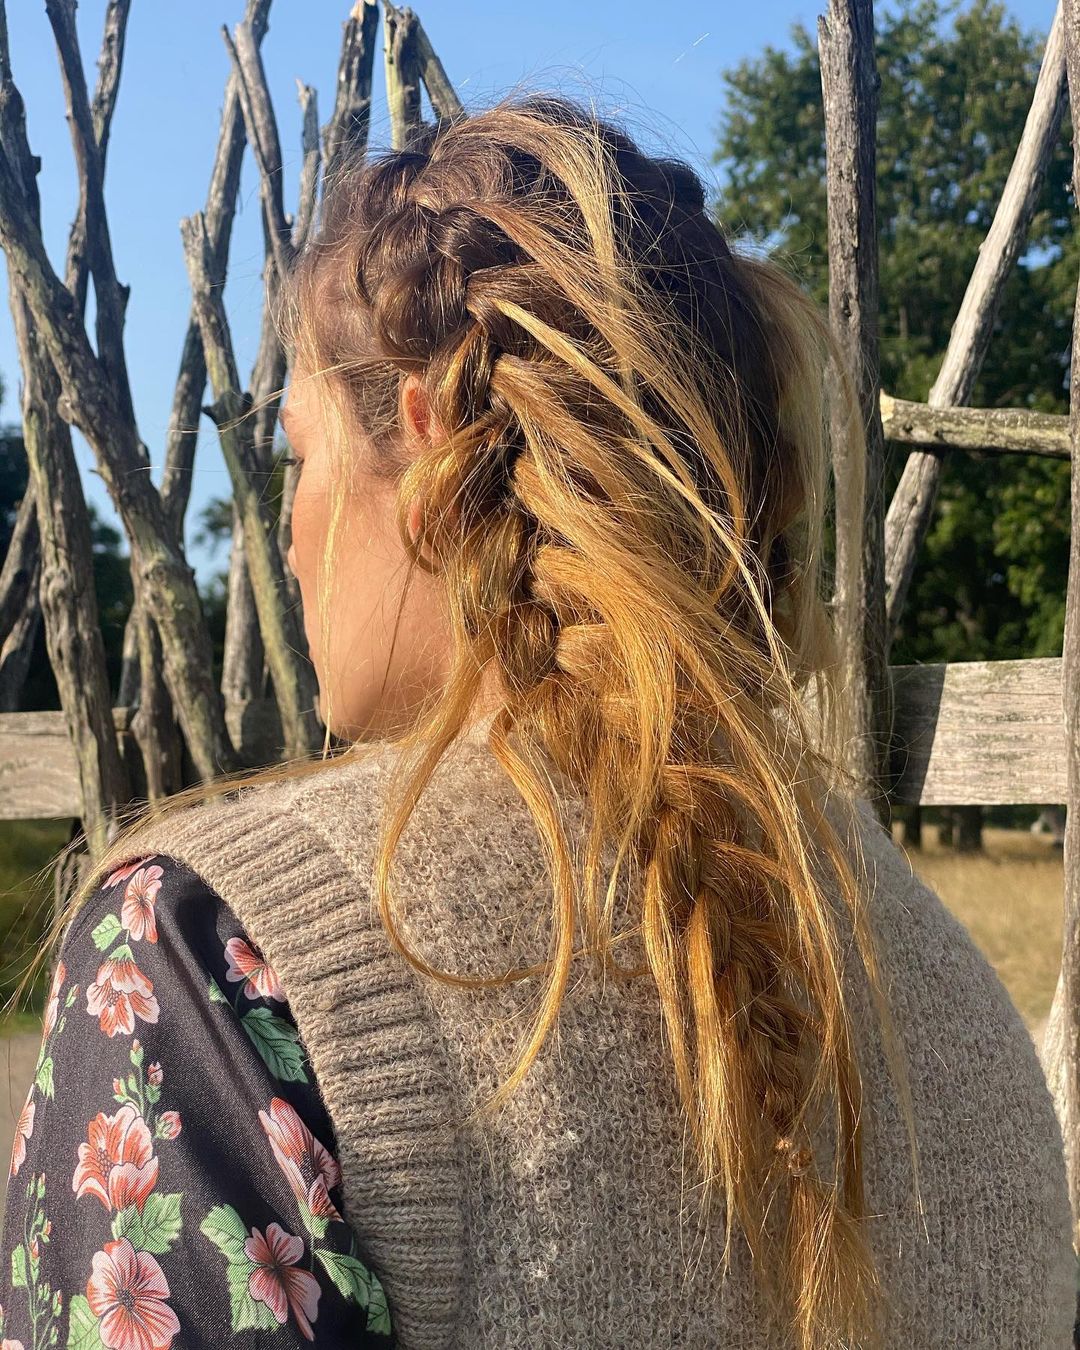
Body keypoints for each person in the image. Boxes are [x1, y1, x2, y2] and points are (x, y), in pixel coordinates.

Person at [1, 92, 1074, 1350]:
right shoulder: (962, 1005)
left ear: (430, 450)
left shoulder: (212, 956)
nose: (285, 539)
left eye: (295, 455)